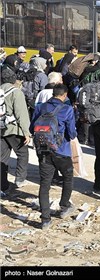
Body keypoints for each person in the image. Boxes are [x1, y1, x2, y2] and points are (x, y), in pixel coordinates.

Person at [29, 84, 77, 230]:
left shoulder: (40, 107)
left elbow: (32, 128)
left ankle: (45, 220)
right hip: (62, 151)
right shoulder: (67, 109)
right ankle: (64, 205)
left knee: (45, 184)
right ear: (64, 95)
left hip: (43, 150)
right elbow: (72, 134)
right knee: (68, 177)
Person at [1, 68, 31, 191]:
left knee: (2, 158)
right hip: (13, 129)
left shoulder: (0, 90)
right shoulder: (16, 92)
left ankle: (3, 185)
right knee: (22, 154)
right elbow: (21, 114)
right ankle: (20, 179)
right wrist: (26, 133)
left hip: (1, 128)